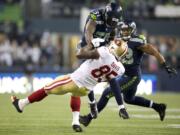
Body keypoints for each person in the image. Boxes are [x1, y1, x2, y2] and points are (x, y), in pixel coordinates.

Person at [11, 39, 129, 132]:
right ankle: (75, 122)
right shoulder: (120, 69)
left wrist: (91, 44)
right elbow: (110, 82)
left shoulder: (104, 51)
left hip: (74, 81)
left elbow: (80, 54)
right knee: (75, 95)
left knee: (46, 88)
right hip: (86, 89)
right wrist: (119, 106)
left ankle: (21, 104)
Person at [79, 20, 177, 127]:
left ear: (132, 31)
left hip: (133, 76)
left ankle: (88, 118)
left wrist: (164, 65)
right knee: (129, 99)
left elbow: (154, 51)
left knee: (107, 93)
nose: (125, 33)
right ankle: (158, 107)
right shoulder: (117, 40)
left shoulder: (137, 41)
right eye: (123, 30)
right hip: (125, 75)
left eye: (127, 30)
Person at [70, 2, 123, 132]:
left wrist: (110, 48)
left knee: (109, 76)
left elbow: (112, 36)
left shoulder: (114, 22)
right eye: (110, 20)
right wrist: (91, 43)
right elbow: (88, 30)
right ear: (106, 14)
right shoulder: (95, 15)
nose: (111, 23)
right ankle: (93, 103)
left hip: (102, 46)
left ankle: (117, 106)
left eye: (114, 21)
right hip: (88, 45)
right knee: (87, 75)